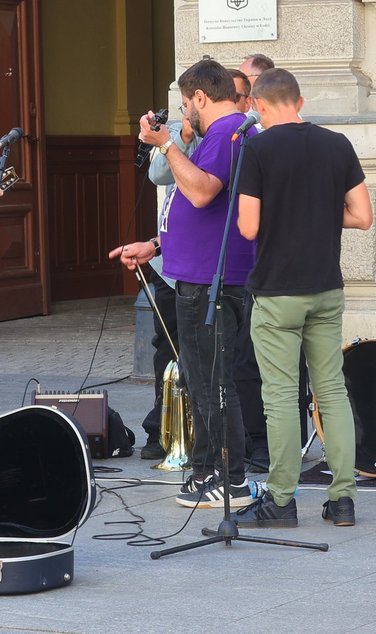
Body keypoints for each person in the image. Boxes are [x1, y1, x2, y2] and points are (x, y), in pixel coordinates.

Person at [109, 59, 256, 509]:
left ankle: (230, 479)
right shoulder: (223, 134)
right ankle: (207, 470)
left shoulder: (227, 133)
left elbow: (201, 191)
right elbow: (203, 211)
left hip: (209, 281)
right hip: (197, 273)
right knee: (202, 380)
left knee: (212, 384)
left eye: (184, 103)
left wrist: (168, 144)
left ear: (200, 98)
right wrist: (156, 245)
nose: (183, 112)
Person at [232, 68, 372, 528]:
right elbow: (363, 216)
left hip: (277, 292)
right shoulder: (337, 145)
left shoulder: (256, 148)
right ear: (300, 102)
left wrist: (282, 211)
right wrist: (319, 212)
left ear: (257, 106)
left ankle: (281, 500)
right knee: (331, 390)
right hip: (326, 288)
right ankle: (344, 499)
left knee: (278, 397)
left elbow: (248, 227)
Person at [139, 116, 200, 461]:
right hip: (168, 267)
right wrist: (182, 138)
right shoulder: (176, 132)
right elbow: (158, 174)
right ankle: (161, 429)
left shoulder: (226, 134)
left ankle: (199, 431)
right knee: (166, 348)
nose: (188, 109)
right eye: (185, 104)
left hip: (202, 266)